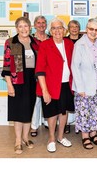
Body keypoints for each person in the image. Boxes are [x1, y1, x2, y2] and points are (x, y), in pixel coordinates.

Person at [35, 18, 74, 153]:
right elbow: (39, 69)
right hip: (50, 85)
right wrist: (44, 91)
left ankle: (60, 136)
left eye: (60, 28)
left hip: (66, 84)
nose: (57, 30)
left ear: (64, 30)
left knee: (63, 112)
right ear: (50, 31)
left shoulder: (69, 44)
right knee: (52, 113)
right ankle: (51, 138)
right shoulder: (45, 45)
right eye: (54, 28)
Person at [2, 17, 39, 154]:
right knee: (18, 112)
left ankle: (25, 137)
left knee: (28, 110)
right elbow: (6, 66)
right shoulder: (11, 42)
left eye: (26, 26)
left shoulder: (35, 42)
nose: (24, 29)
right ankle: (18, 140)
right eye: (21, 26)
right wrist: (9, 86)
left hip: (32, 81)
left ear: (30, 27)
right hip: (17, 82)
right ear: (17, 28)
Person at [71, 18, 97, 149]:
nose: (93, 32)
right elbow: (75, 67)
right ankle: (85, 136)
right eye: (91, 29)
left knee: (96, 112)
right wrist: (80, 88)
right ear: (86, 29)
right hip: (84, 86)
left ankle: (94, 134)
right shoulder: (79, 44)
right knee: (84, 112)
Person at [30, 15, 50, 137]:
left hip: (50, 74)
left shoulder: (51, 38)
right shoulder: (31, 40)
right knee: (36, 101)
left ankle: (47, 121)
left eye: (43, 22)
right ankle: (34, 126)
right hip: (35, 74)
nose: (41, 25)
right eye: (39, 22)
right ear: (35, 25)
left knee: (49, 98)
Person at [64, 20, 82, 134]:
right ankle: (65, 124)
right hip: (68, 74)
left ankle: (81, 124)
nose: (74, 29)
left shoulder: (84, 40)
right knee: (66, 101)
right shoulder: (64, 40)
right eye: (72, 27)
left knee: (81, 101)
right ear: (68, 29)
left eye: (76, 26)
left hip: (81, 74)